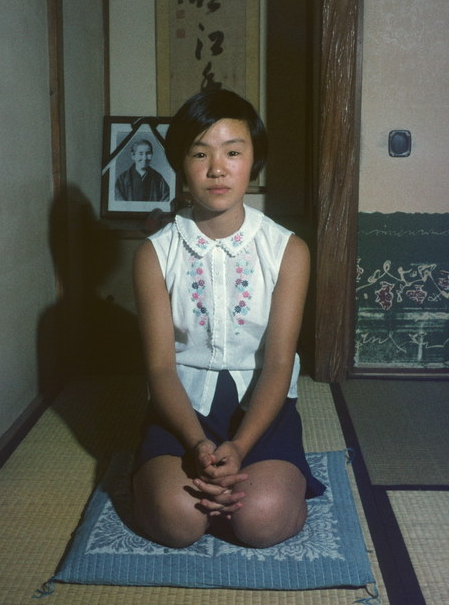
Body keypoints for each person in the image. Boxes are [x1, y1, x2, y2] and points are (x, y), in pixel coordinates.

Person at [131, 89, 325, 550]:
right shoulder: (154, 253)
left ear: (254, 161)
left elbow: (279, 363)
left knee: (261, 522)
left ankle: (260, 492)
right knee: (177, 523)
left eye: (233, 152)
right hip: (181, 408)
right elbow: (159, 367)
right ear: (181, 164)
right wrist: (197, 444)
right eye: (200, 153)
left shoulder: (288, 250)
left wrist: (238, 447)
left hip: (261, 406)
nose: (217, 169)